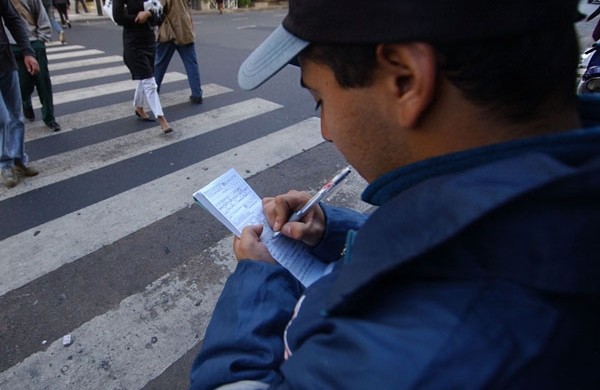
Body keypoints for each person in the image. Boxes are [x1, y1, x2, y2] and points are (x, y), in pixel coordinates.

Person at [189, 0, 600, 389]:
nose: (327, 131)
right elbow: (458, 242)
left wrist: (257, 280)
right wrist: (334, 230)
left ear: (404, 78)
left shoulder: (426, 353)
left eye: (320, 102)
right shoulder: (555, 202)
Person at [113, 0, 173, 134]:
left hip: (149, 42)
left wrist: (149, 13)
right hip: (133, 43)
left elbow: (161, 17)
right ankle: (162, 119)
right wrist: (136, 18)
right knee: (150, 82)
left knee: (145, 77)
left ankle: (139, 107)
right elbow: (118, 17)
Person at [0, 0, 40, 188]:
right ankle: (5, 164)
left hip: (5, 62)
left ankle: (18, 160)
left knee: (16, 115)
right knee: (2, 118)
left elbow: (13, 20)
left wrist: (28, 52)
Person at [6, 0, 61, 131]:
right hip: (12, 46)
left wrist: (40, 40)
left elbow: (42, 17)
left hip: (33, 42)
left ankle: (49, 118)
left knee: (43, 82)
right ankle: (26, 104)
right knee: (22, 84)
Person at [154, 0, 203, 104]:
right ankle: (197, 94)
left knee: (159, 64)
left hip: (168, 29)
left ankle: (153, 92)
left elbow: (159, 7)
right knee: (191, 63)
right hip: (184, 28)